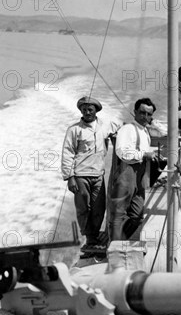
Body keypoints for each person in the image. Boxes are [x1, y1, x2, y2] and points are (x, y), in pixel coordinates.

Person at [61, 96, 121, 251]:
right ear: (80, 110)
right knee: (83, 208)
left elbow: (121, 127)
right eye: (84, 109)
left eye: (90, 109)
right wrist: (70, 177)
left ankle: (94, 235)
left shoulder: (105, 126)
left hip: (98, 175)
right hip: (80, 175)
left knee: (99, 208)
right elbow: (67, 153)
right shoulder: (74, 130)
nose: (87, 112)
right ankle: (90, 238)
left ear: (96, 111)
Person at [109, 98, 161, 241]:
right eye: (142, 113)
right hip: (126, 173)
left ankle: (122, 241)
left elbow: (164, 131)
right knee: (118, 214)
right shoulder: (128, 129)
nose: (145, 117)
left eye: (149, 114)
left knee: (137, 216)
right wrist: (144, 154)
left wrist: (154, 124)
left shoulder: (145, 131)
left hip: (140, 176)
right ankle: (114, 246)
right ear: (135, 112)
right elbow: (122, 152)